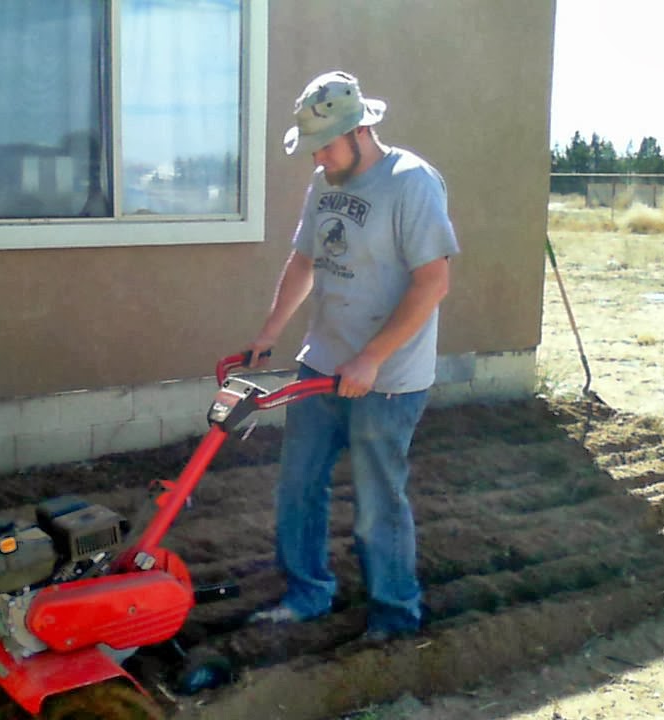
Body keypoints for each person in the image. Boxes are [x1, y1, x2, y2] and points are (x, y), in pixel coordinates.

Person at [245, 70, 460, 640]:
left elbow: (432, 283)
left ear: (361, 128)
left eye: (325, 143)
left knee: (376, 501)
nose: (317, 156)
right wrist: (268, 333)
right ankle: (308, 593)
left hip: (387, 379)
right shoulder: (326, 182)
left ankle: (395, 613)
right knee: (297, 485)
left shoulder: (411, 183)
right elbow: (303, 261)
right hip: (322, 364)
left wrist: (371, 358)